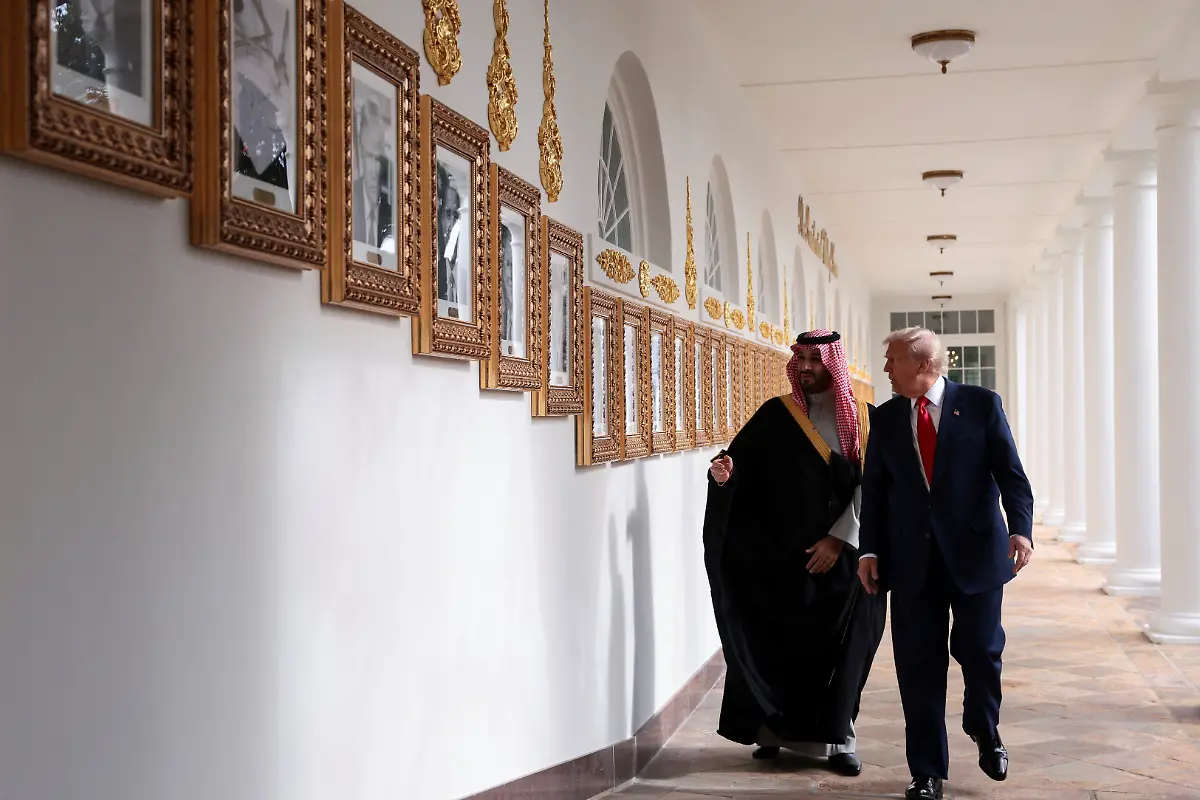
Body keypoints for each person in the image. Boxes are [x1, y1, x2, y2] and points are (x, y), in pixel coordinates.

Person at [857, 327, 1034, 800]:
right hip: (912, 560)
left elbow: (1011, 475)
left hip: (976, 554)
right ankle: (928, 772)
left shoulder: (980, 404)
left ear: (923, 366)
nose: (887, 369)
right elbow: (874, 492)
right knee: (918, 666)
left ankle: (984, 727)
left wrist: (1021, 528)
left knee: (981, 650)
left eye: (893, 360)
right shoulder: (889, 418)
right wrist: (869, 550)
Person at [703, 329, 887, 777]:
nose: (805, 367)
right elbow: (744, 469)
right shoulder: (775, 415)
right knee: (780, 644)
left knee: (844, 651)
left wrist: (839, 538)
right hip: (786, 560)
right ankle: (773, 734)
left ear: (833, 363)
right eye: (799, 358)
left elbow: (877, 486)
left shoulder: (865, 420)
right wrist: (726, 477)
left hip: (848, 561)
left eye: (814, 359)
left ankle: (840, 739)